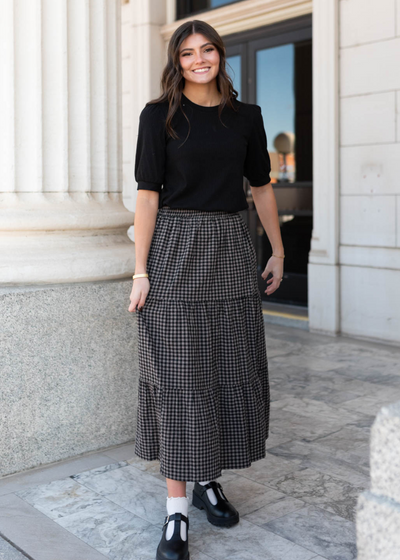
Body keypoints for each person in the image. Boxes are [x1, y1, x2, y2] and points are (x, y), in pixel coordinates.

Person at [128, 19, 284, 560]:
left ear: (220, 55)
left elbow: (261, 187)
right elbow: (147, 196)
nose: (199, 60)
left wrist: (278, 250)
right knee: (179, 378)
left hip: (231, 248)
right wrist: (140, 270)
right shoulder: (159, 116)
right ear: (177, 60)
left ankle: (207, 481)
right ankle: (176, 512)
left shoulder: (247, 118)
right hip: (173, 250)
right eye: (188, 53)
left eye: (208, 50)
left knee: (225, 368)